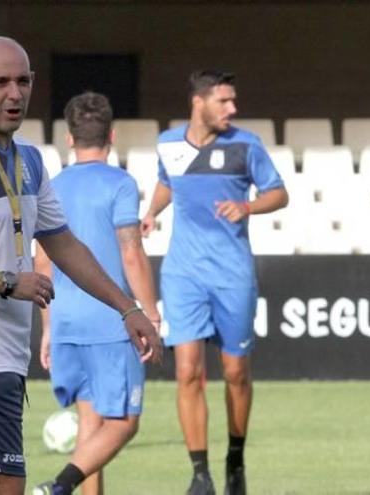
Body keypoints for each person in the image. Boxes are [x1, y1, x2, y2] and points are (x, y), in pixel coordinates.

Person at [0, 37, 162, 495]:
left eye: (23, 81)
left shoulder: (29, 160)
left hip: (3, 352)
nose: (14, 93)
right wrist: (3, 282)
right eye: (0, 82)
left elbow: (64, 245)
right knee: (4, 483)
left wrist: (128, 308)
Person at [140, 70, 288, 495]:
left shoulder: (246, 145)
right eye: (224, 101)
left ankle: (235, 458)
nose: (232, 109)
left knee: (236, 372)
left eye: (232, 101)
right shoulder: (168, 143)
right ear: (198, 103)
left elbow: (279, 193)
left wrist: (248, 206)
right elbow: (169, 183)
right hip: (184, 272)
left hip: (233, 274)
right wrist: (153, 212)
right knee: (187, 373)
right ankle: (199, 474)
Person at [32, 92, 161, 495]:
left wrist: (48, 328)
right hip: (111, 323)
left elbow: (42, 263)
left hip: (67, 320)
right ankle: (57, 487)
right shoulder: (121, 183)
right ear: (113, 136)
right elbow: (131, 250)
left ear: (69, 140)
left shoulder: (50, 187)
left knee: (91, 426)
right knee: (123, 422)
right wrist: (150, 313)